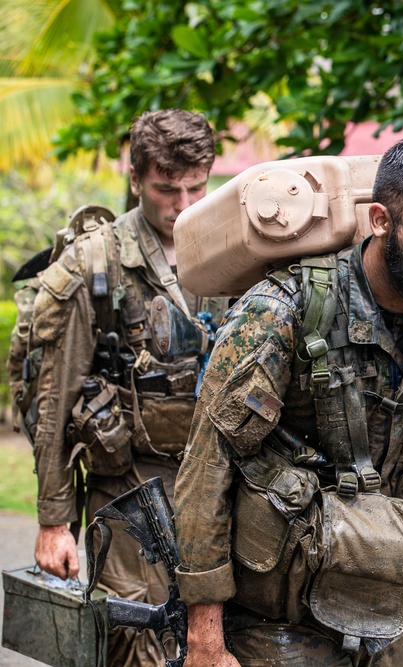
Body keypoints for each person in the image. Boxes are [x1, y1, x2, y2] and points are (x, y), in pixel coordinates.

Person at [174, 134, 403, 666]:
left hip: (388, 609)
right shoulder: (285, 309)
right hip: (276, 619)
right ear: (380, 220)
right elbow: (206, 470)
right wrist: (205, 641)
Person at [28, 109, 228, 667]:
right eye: (167, 189)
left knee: (219, 642)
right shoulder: (95, 263)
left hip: (219, 484)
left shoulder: (233, 248)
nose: (184, 204)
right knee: (134, 638)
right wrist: (52, 522)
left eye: (197, 186)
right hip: (129, 486)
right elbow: (54, 399)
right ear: (136, 179)